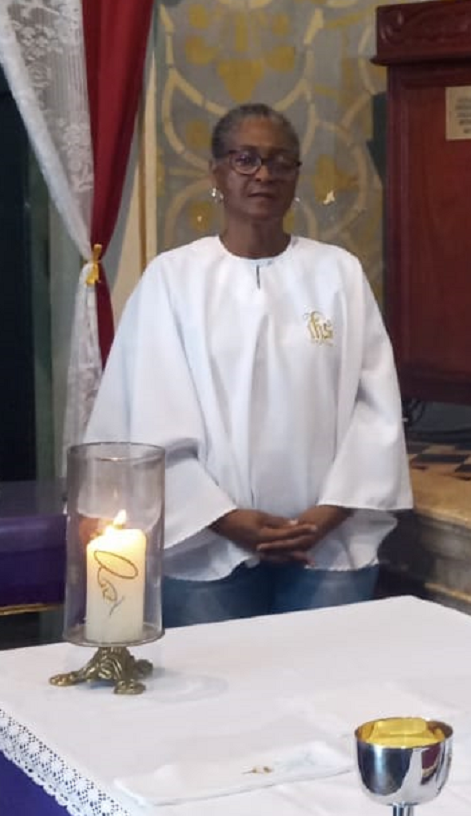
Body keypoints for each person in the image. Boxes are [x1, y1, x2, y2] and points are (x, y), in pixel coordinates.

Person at [87, 103, 410, 626]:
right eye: (246, 159)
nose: (264, 174)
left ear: (296, 176)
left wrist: (329, 515)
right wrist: (227, 520)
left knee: (329, 692)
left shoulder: (337, 274)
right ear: (217, 172)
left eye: (281, 162)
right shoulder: (173, 280)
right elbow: (151, 418)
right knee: (222, 701)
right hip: (205, 547)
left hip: (327, 545)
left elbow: (375, 409)